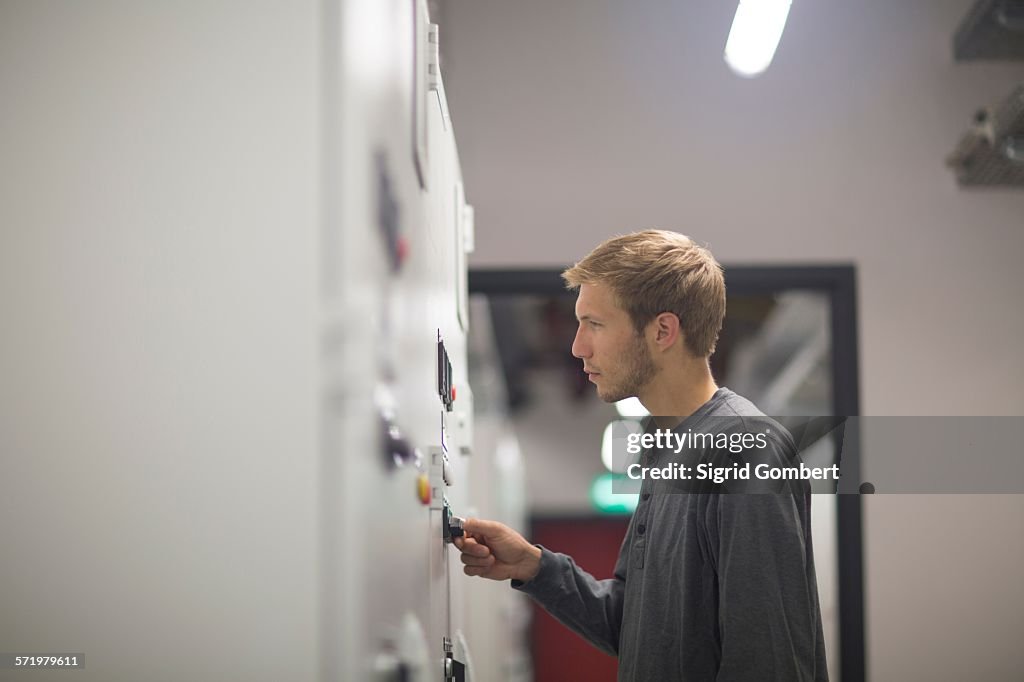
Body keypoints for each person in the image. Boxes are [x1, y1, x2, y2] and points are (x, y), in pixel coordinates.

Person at [453, 230, 828, 681]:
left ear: (662, 330)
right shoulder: (669, 452)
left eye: (594, 323)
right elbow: (635, 627)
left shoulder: (744, 447)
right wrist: (534, 567)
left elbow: (768, 660)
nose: (577, 346)